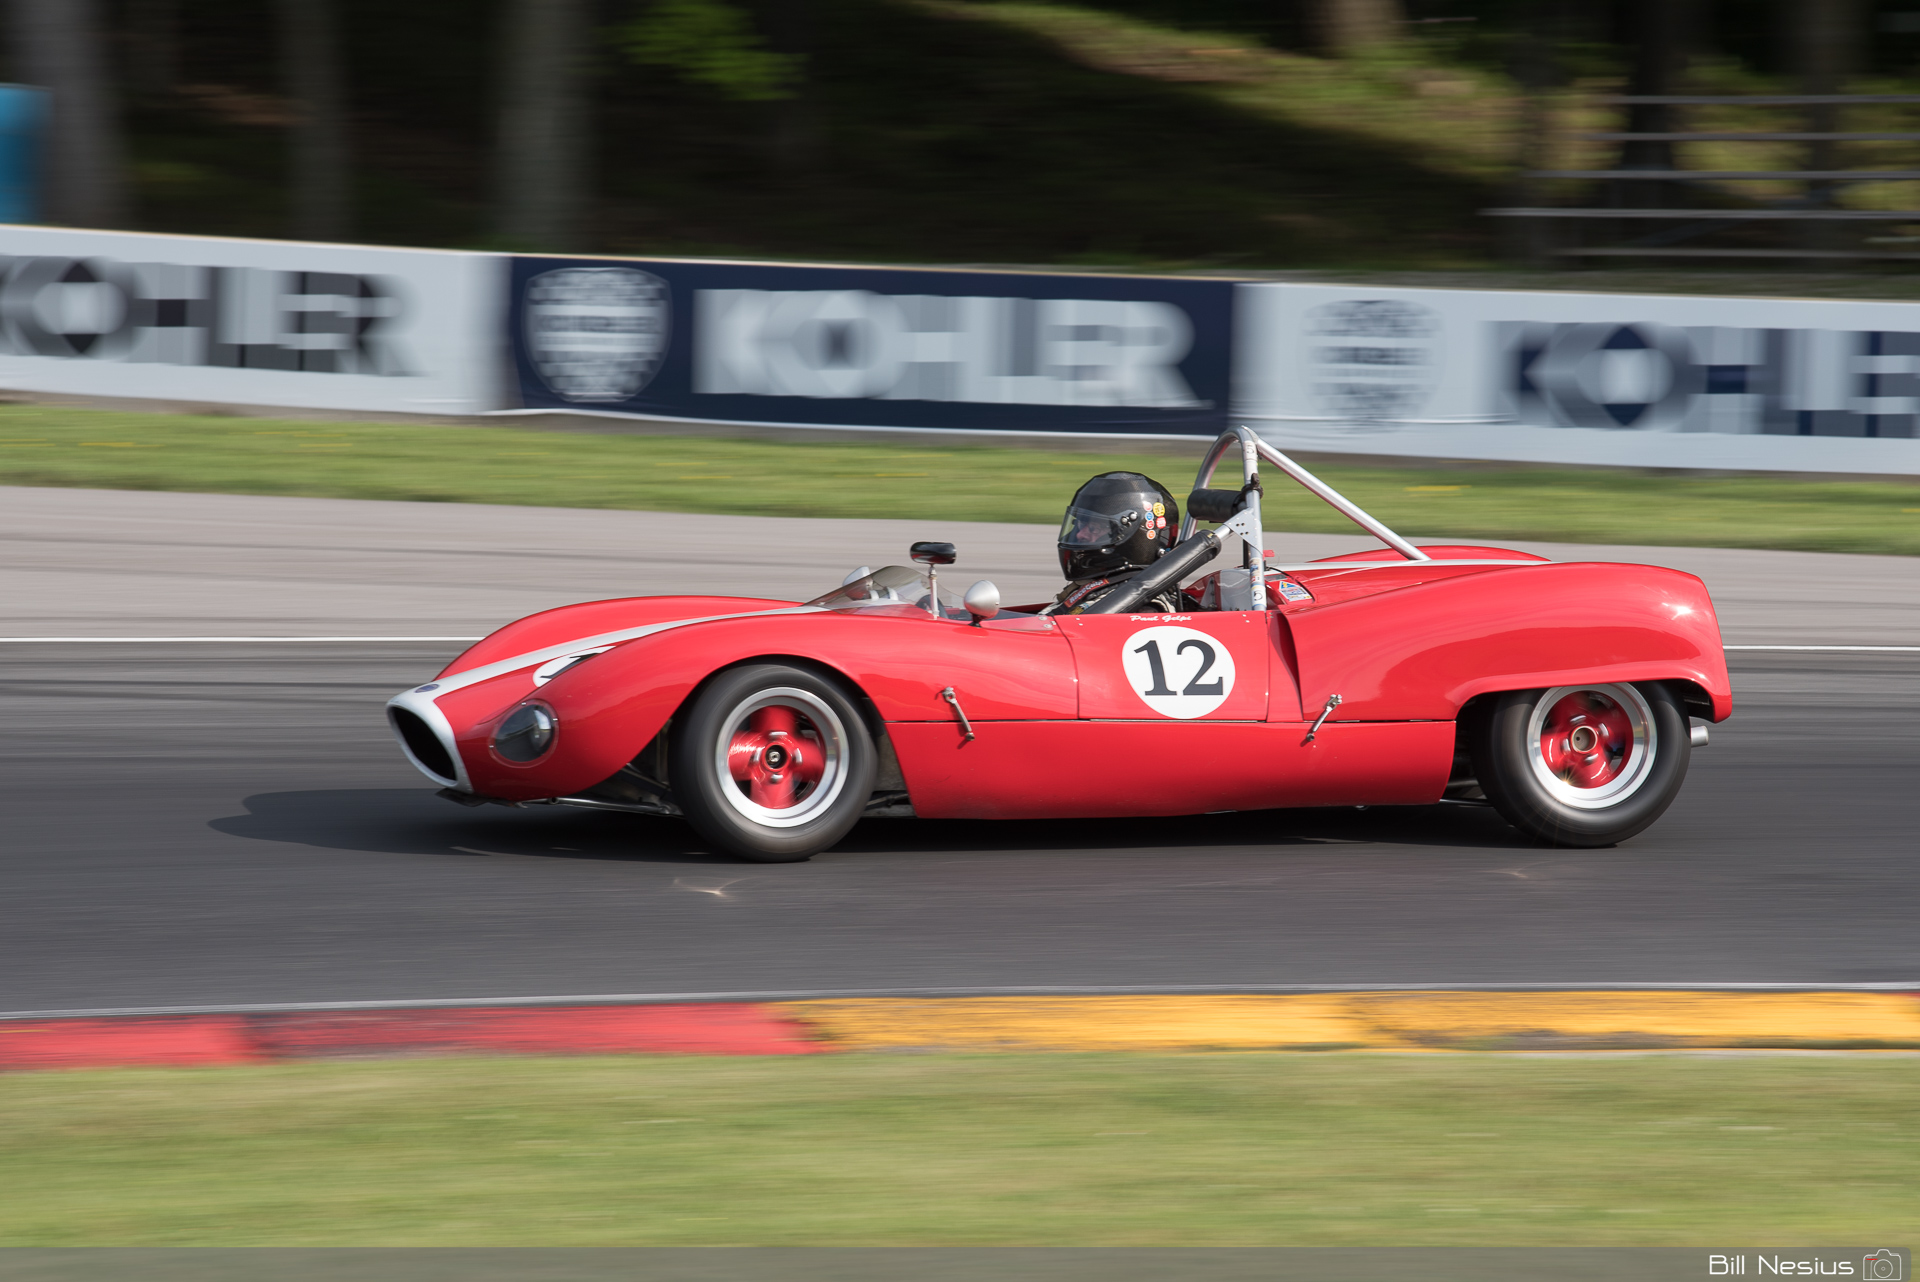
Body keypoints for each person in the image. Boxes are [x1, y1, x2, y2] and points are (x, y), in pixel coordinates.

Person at [1045, 471, 1186, 614]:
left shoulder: (1141, 607)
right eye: (1079, 524)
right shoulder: (1096, 589)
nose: (1080, 534)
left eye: (1094, 528)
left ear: (1134, 538)